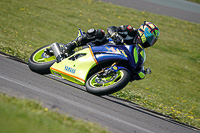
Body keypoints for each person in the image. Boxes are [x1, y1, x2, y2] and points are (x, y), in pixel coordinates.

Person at [61, 21, 160, 80]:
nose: (150, 42)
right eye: (151, 38)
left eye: (153, 41)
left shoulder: (139, 51)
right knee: (100, 33)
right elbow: (111, 28)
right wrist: (115, 34)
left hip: (114, 56)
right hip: (104, 44)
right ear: (145, 32)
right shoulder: (131, 31)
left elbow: (136, 69)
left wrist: (140, 71)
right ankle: (70, 46)